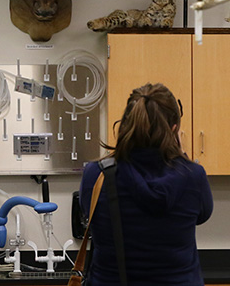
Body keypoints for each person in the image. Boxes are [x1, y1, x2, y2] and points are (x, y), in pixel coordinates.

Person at [79, 83, 213, 286]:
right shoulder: (193, 176)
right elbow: (202, 215)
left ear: (125, 126)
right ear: (174, 129)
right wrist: (179, 154)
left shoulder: (96, 175)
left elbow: (88, 213)